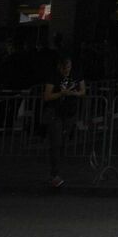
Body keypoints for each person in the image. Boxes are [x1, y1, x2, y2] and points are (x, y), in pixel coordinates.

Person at [42, 54, 85, 189]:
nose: (67, 70)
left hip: (69, 113)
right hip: (55, 113)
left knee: (62, 142)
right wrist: (61, 93)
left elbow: (83, 91)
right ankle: (54, 174)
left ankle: (57, 169)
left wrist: (74, 93)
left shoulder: (76, 75)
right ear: (59, 67)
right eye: (64, 68)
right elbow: (47, 96)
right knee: (56, 142)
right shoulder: (53, 77)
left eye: (69, 67)